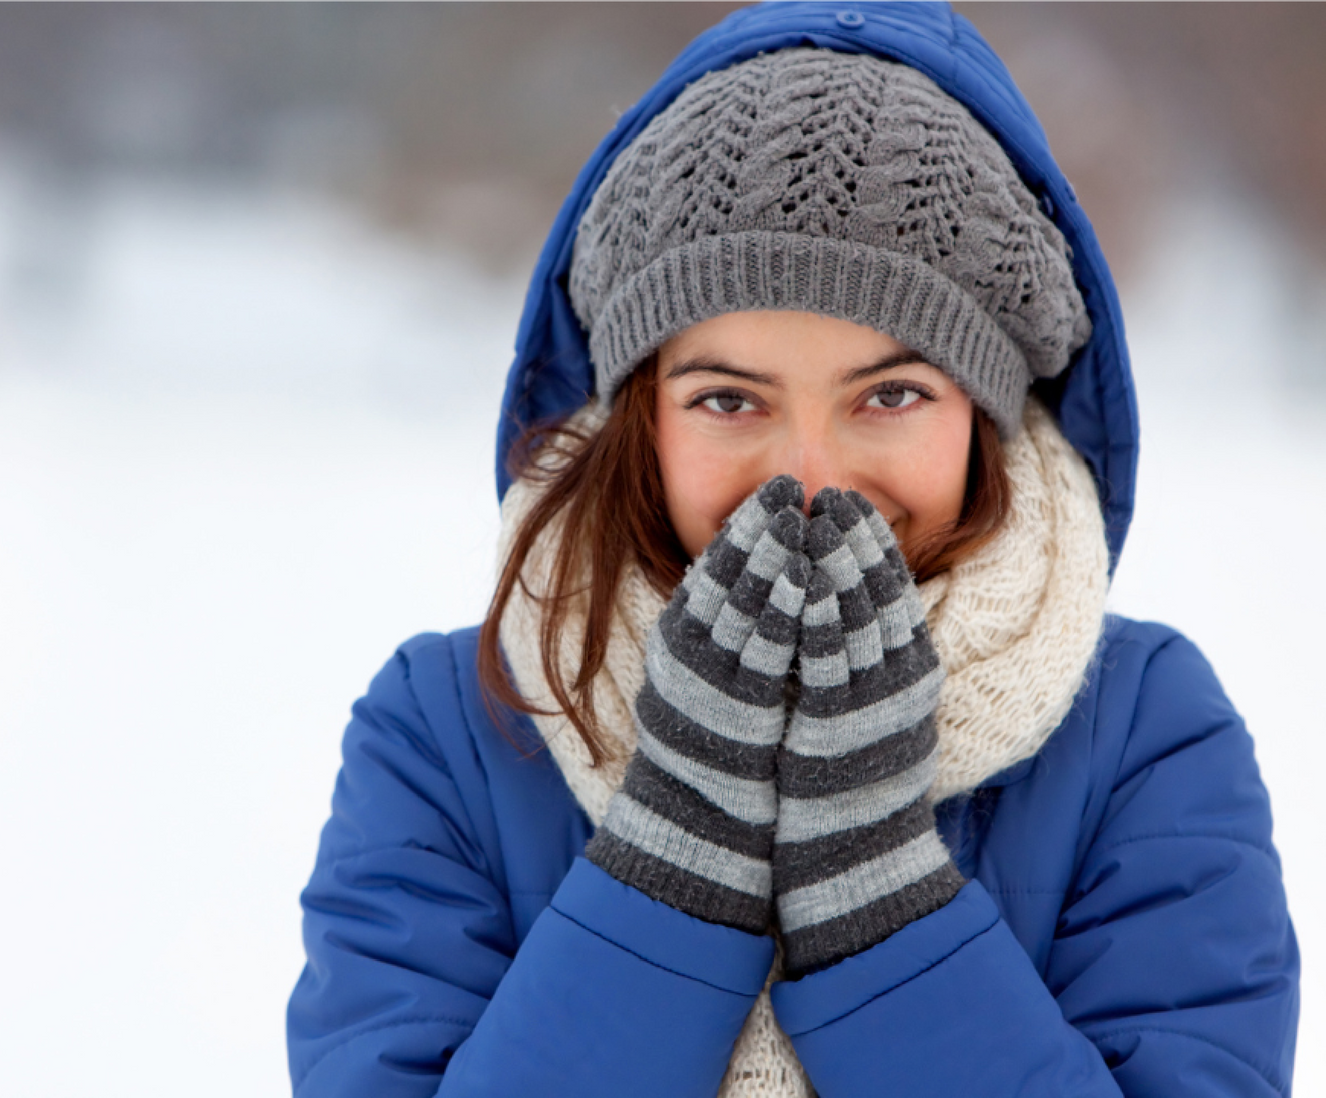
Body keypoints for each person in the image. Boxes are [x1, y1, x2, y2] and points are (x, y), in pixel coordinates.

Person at [286, 4, 1300, 1095]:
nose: (808, 480)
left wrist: (881, 911)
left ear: (987, 413)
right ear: (639, 418)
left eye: (891, 395)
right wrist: (671, 872)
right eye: (728, 398)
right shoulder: (454, 731)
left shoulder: (1142, 734)